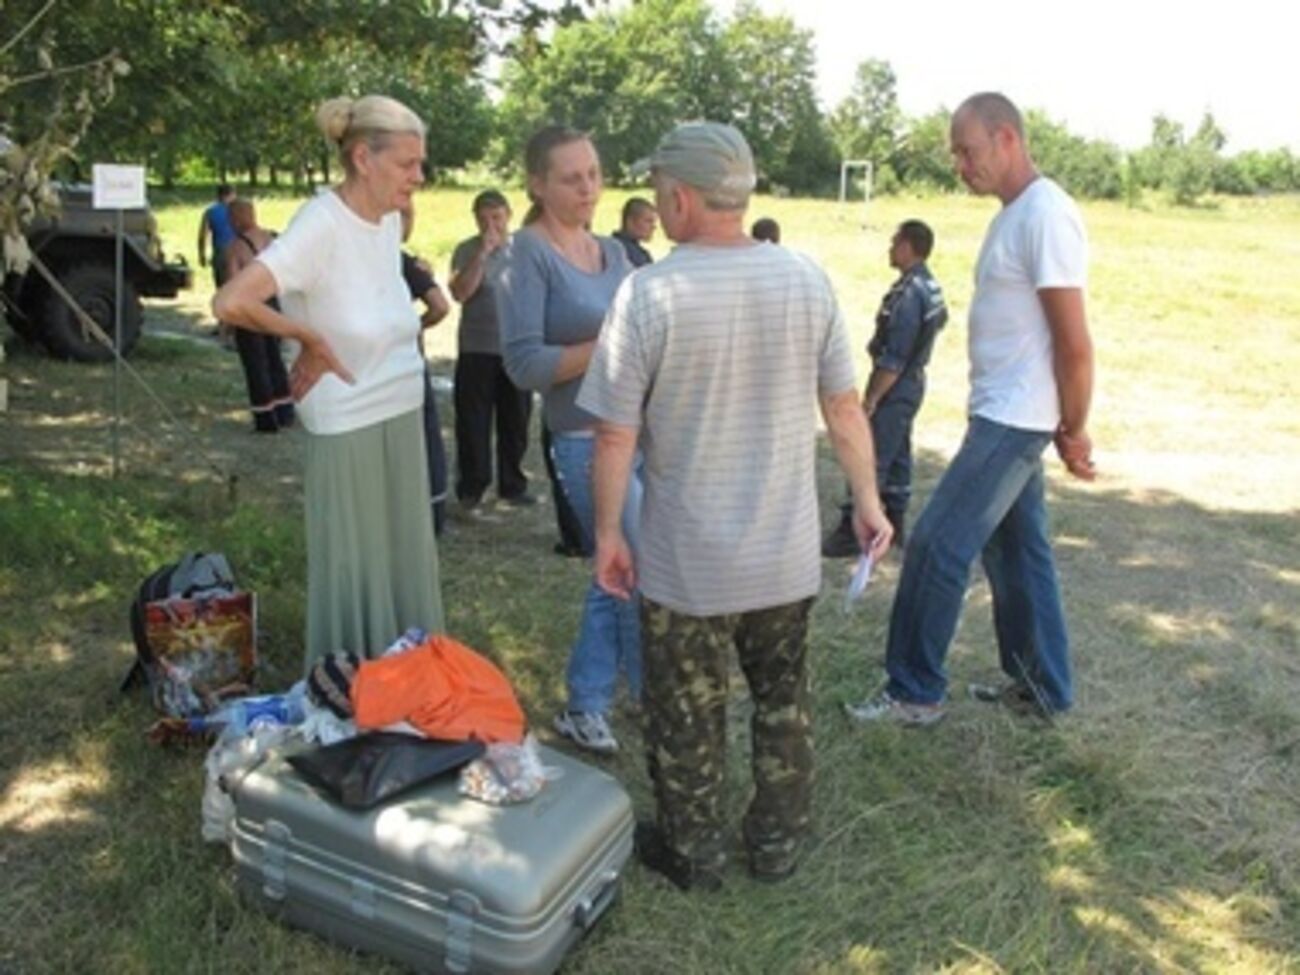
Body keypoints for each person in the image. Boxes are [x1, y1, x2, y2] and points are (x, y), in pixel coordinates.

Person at [578, 122, 893, 890]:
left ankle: (695, 855)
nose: (656, 202)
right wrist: (868, 501)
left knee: (687, 717)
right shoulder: (807, 278)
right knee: (785, 706)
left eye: (659, 191)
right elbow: (846, 408)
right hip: (783, 558)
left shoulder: (649, 293)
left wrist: (610, 532)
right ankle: (777, 846)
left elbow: (614, 435)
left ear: (681, 197)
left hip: (687, 564)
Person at [846, 92, 1095, 726]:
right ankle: (1043, 689)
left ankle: (913, 691)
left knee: (935, 543)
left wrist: (1076, 427)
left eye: (968, 150)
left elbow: (1074, 341)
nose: (960, 165)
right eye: (955, 152)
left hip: (1017, 419)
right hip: (1003, 410)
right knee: (1017, 554)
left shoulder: (1046, 214)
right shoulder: (1012, 215)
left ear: (1007, 138)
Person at [213, 94, 445, 670]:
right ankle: (353, 690)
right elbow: (230, 300)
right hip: (346, 418)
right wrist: (307, 337)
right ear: (363, 158)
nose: (419, 176)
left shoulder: (389, 219)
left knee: (403, 559)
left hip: (400, 406)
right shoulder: (320, 223)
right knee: (358, 565)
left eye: (421, 163)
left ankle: (409, 680)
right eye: (407, 164)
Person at [497, 125, 639, 754]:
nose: (588, 188)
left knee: (623, 569)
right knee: (632, 570)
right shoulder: (525, 255)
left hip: (641, 436)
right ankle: (632, 699)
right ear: (538, 184)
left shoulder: (614, 250)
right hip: (583, 440)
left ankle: (602, 698)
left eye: (594, 173)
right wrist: (610, 343)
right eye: (571, 178)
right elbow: (525, 365)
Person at [823, 219, 948, 556]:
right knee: (899, 453)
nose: (889, 249)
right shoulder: (930, 285)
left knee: (872, 454)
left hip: (897, 384)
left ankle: (854, 527)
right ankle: (896, 518)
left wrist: (873, 397)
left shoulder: (908, 294)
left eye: (894, 243)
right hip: (914, 381)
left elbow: (895, 356)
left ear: (908, 246)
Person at [448, 190, 534, 509]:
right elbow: (460, 292)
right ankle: (472, 486)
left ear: (508, 215)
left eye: (496, 218)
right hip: (476, 348)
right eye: (483, 219)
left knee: (516, 421)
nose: (491, 225)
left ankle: (512, 484)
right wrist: (482, 254)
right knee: (473, 421)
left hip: (515, 349)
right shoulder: (465, 250)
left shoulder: (525, 251)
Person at [400, 203, 452, 535]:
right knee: (425, 434)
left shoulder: (398, 261)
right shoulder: (401, 260)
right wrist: (414, 327)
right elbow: (439, 306)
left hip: (375, 363)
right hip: (405, 361)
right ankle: (433, 513)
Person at [223, 198, 295, 433]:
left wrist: (227, 320)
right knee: (275, 358)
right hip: (273, 304)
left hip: (248, 308)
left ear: (236, 219)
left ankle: (266, 417)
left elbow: (232, 283)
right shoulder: (272, 240)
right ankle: (285, 409)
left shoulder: (236, 248)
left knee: (256, 362)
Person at [198, 183, 236, 289]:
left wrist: (202, 255)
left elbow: (202, 236)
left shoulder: (210, 212)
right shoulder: (238, 210)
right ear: (232, 194)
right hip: (237, 250)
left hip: (220, 253)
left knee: (221, 288)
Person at [612, 197, 657, 267]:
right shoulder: (636, 256)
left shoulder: (609, 246)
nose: (654, 227)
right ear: (630, 221)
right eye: (648, 221)